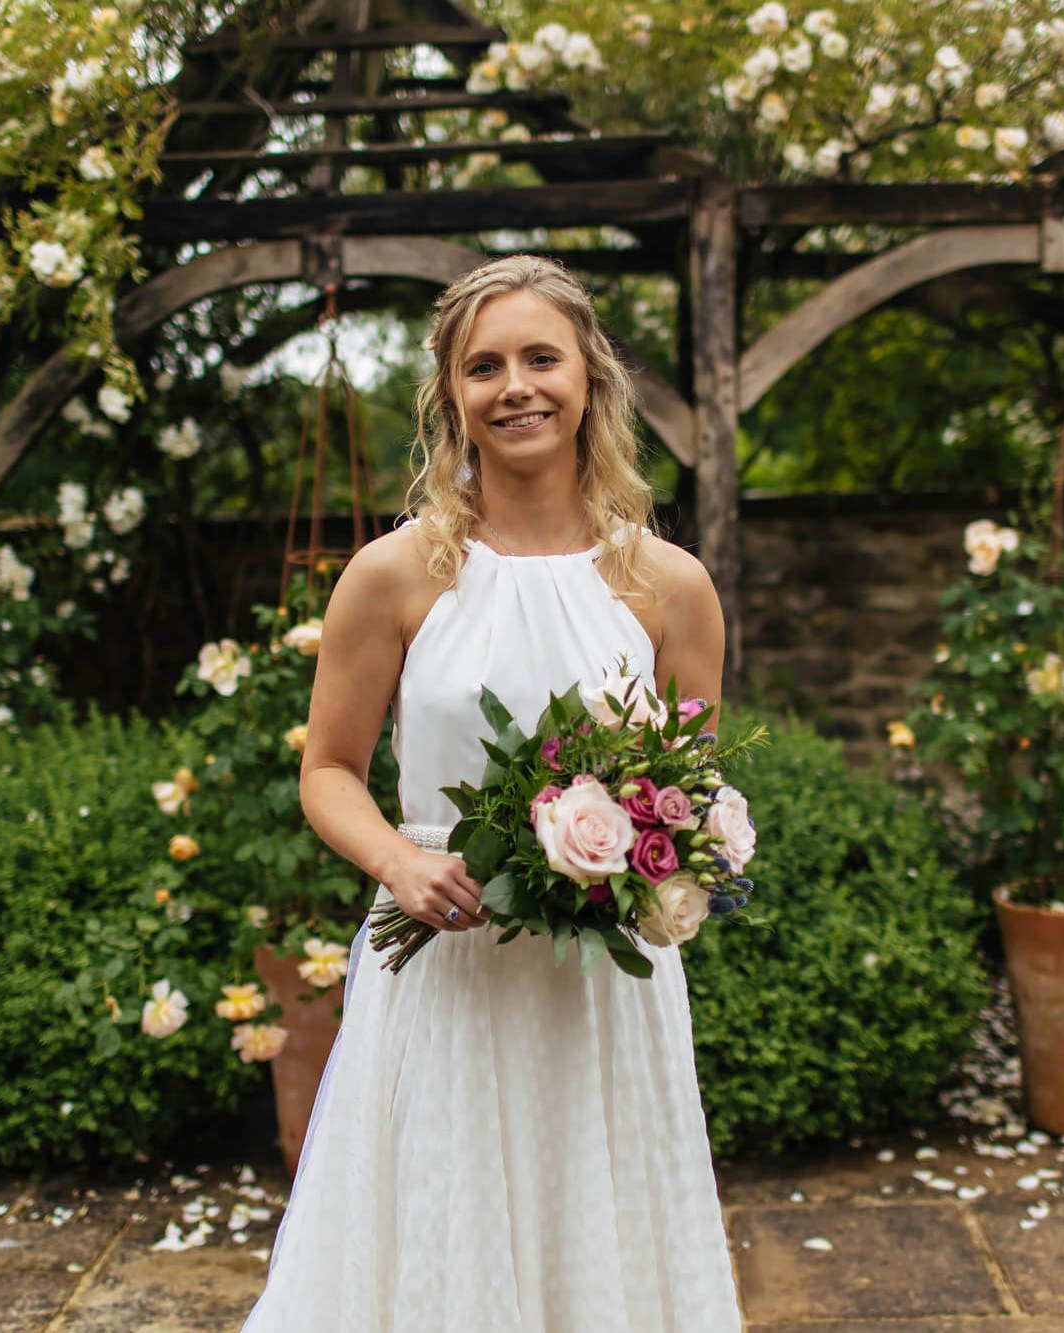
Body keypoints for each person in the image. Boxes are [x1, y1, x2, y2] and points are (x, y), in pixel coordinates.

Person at [238, 254, 743, 1332]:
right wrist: (399, 861)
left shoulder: (671, 586)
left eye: (538, 357)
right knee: (440, 1225)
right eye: (483, 366)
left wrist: (658, 857)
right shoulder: (393, 574)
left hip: (601, 987)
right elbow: (327, 769)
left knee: (601, 1223)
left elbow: (689, 786)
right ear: (451, 398)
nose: (514, 385)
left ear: (588, 380)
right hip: (444, 957)